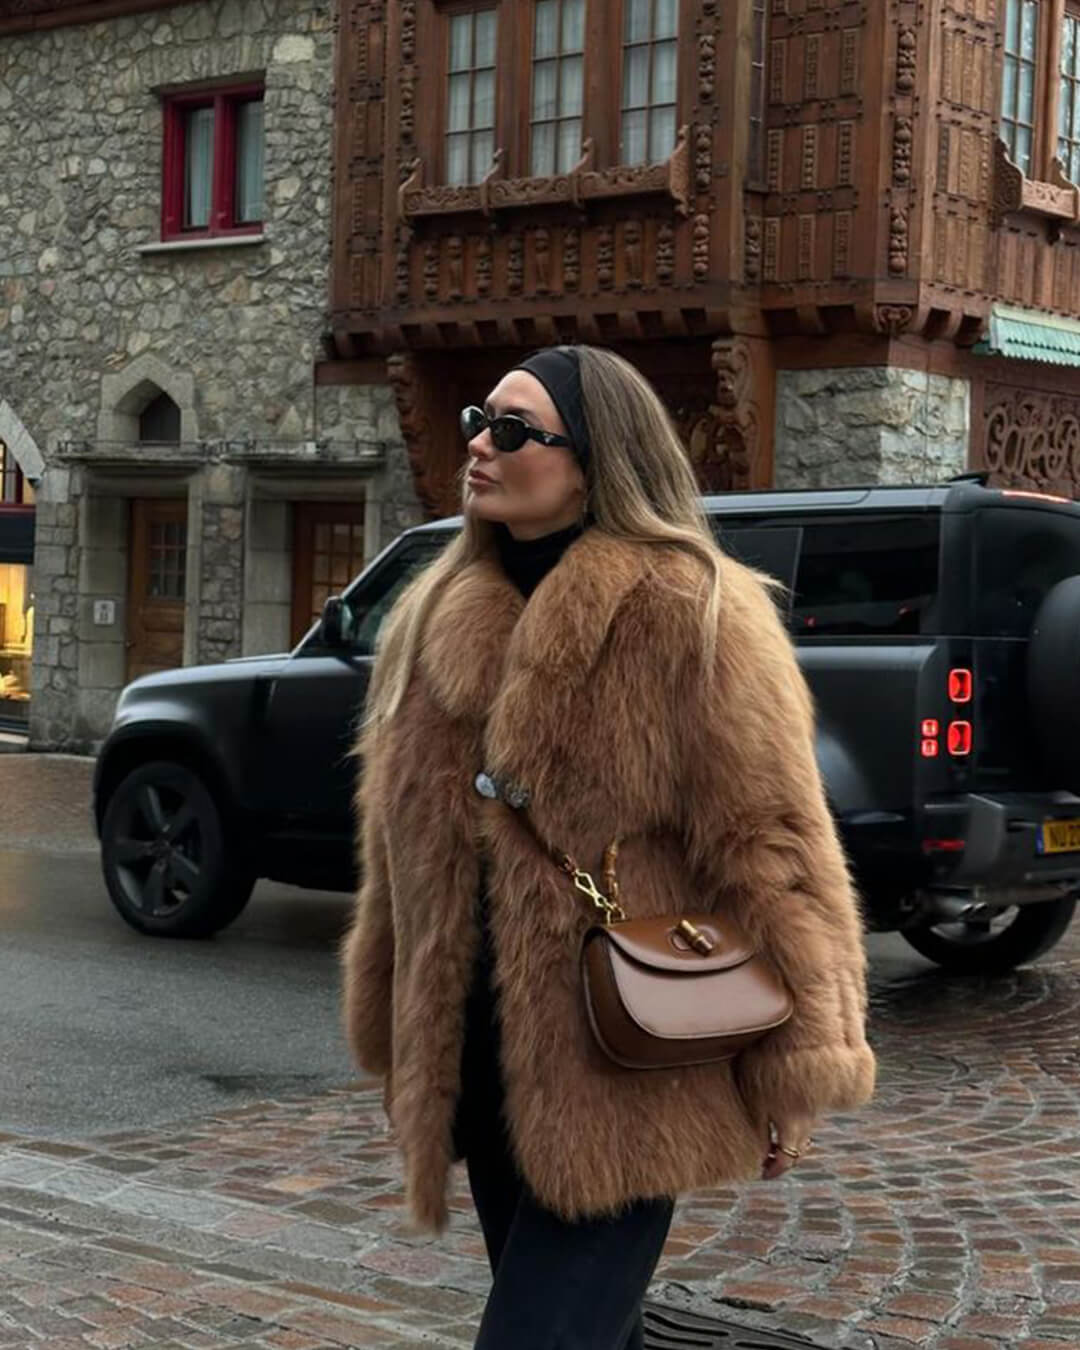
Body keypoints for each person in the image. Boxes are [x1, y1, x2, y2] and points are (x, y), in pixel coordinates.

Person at [342, 344, 875, 1349]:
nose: (480, 446)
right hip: (483, 1062)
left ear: (595, 460)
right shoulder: (434, 614)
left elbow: (776, 853)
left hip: (631, 1065)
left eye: (514, 430)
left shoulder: (695, 613)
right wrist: (402, 1035)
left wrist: (800, 1062)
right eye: (478, 421)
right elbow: (396, 857)